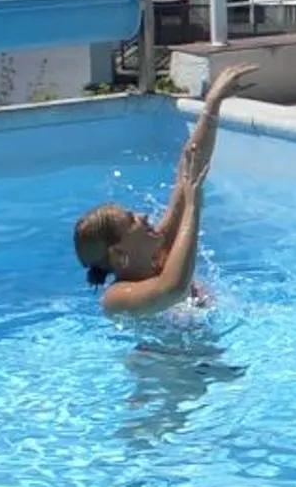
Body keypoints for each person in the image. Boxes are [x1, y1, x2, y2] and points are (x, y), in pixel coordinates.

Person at [71, 63, 255, 313]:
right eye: (131, 220)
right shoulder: (117, 298)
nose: (144, 216)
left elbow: (188, 171)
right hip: (155, 355)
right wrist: (192, 207)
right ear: (118, 254)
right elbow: (172, 290)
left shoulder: (159, 252)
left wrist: (212, 105)